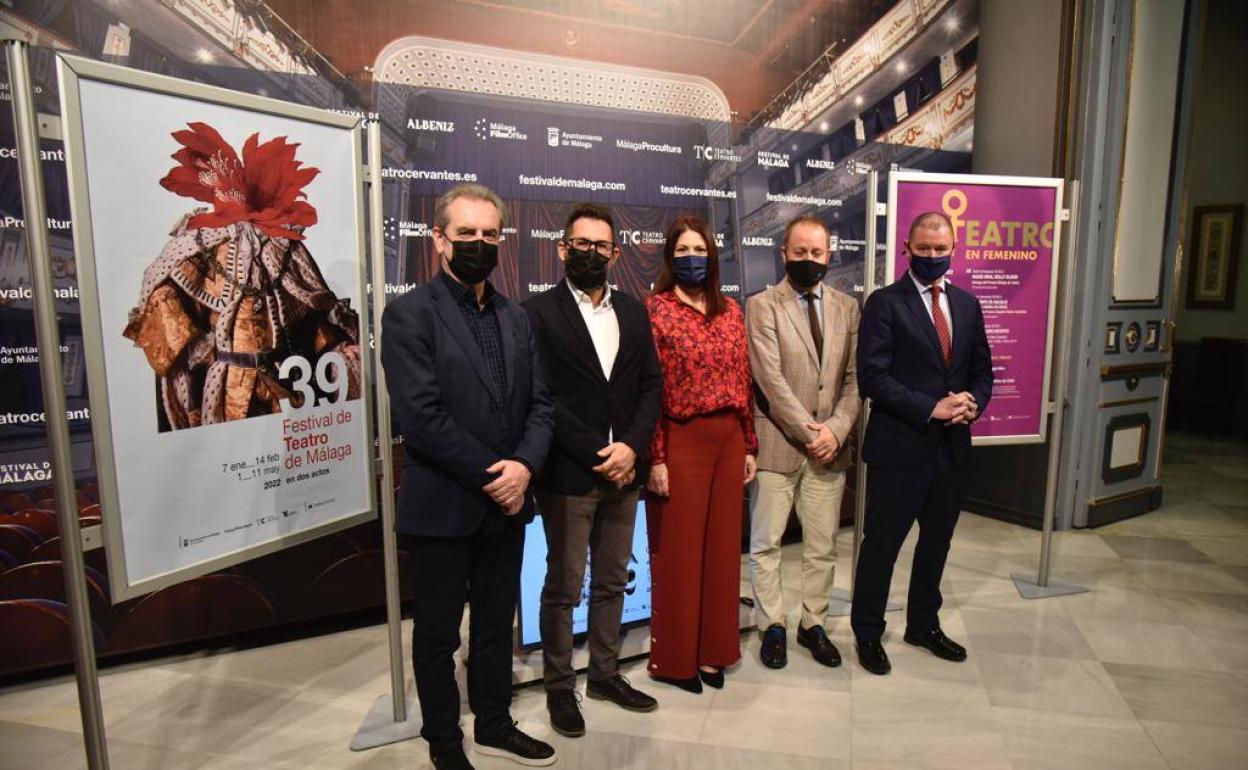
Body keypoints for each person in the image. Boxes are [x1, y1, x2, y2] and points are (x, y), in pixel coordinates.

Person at [380, 183, 556, 770]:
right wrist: (495, 475)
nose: (479, 245)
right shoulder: (408, 315)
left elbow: (541, 406)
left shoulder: (515, 316)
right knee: (436, 634)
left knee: (494, 626)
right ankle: (444, 741)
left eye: (489, 235)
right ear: (439, 240)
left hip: (508, 504)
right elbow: (421, 418)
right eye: (466, 235)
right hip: (446, 504)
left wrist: (525, 466)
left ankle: (494, 722)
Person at [523, 203, 664, 737]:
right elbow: (542, 396)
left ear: (615, 253)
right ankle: (560, 687)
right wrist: (596, 451)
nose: (590, 254)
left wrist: (630, 447)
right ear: (563, 249)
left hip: (625, 475)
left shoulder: (633, 310)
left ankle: (605, 674)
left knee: (611, 583)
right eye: (580, 245)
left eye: (601, 246)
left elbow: (650, 385)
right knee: (562, 588)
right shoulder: (537, 312)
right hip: (569, 474)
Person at [850, 210, 993, 676]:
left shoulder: (969, 306)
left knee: (937, 543)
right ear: (907, 249)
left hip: (952, 450)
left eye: (941, 249)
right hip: (900, 447)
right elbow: (873, 377)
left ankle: (923, 624)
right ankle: (868, 632)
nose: (933, 256)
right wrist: (930, 407)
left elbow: (982, 370)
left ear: (954, 249)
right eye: (924, 248)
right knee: (883, 545)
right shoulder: (884, 303)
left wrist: (974, 402)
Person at [644, 216, 758, 694]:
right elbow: (647, 389)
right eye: (683, 249)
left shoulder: (731, 310)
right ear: (671, 257)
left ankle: (715, 651)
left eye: (700, 248)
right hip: (681, 439)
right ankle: (674, 660)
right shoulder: (655, 310)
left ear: (712, 256)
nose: (693, 256)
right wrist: (655, 457)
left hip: (730, 439)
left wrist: (749, 442)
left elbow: (743, 378)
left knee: (723, 552)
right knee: (679, 553)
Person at [746, 214, 860, 670]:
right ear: (784, 254)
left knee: (822, 545)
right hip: (777, 444)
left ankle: (813, 624)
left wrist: (836, 429)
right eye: (800, 252)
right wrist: (812, 432)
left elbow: (854, 381)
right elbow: (770, 381)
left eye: (817, 253)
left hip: (830, 449)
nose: (809, 260)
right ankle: (772, 625)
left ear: (828, 255)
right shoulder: (762, 305)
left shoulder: (847, 307)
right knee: (767, 545)